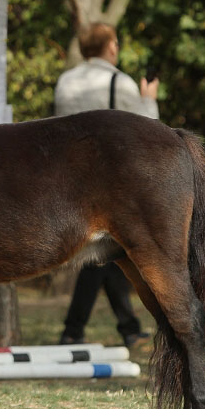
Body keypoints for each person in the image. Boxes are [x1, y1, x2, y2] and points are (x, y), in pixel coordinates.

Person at [54, 22, 157, 348]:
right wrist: (148, 99)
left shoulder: (65, 81)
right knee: (102, 252)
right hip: (109, 181)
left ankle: (126, 327)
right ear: (111, 46)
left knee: (109, 253)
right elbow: (148, 130)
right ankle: (73, 329)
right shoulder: (120, 82)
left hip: (71, 177)